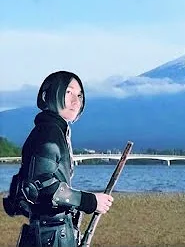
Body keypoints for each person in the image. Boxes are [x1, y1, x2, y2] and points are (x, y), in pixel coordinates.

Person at [15, 71, 113, 246]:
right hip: (49, 236)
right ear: (48, 95)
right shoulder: (48, 132)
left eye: (80, 95)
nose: (76, 101)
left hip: (53, 233)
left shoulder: (56, 130)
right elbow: (39, 187)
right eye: (68, 92)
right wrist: (90, 201)